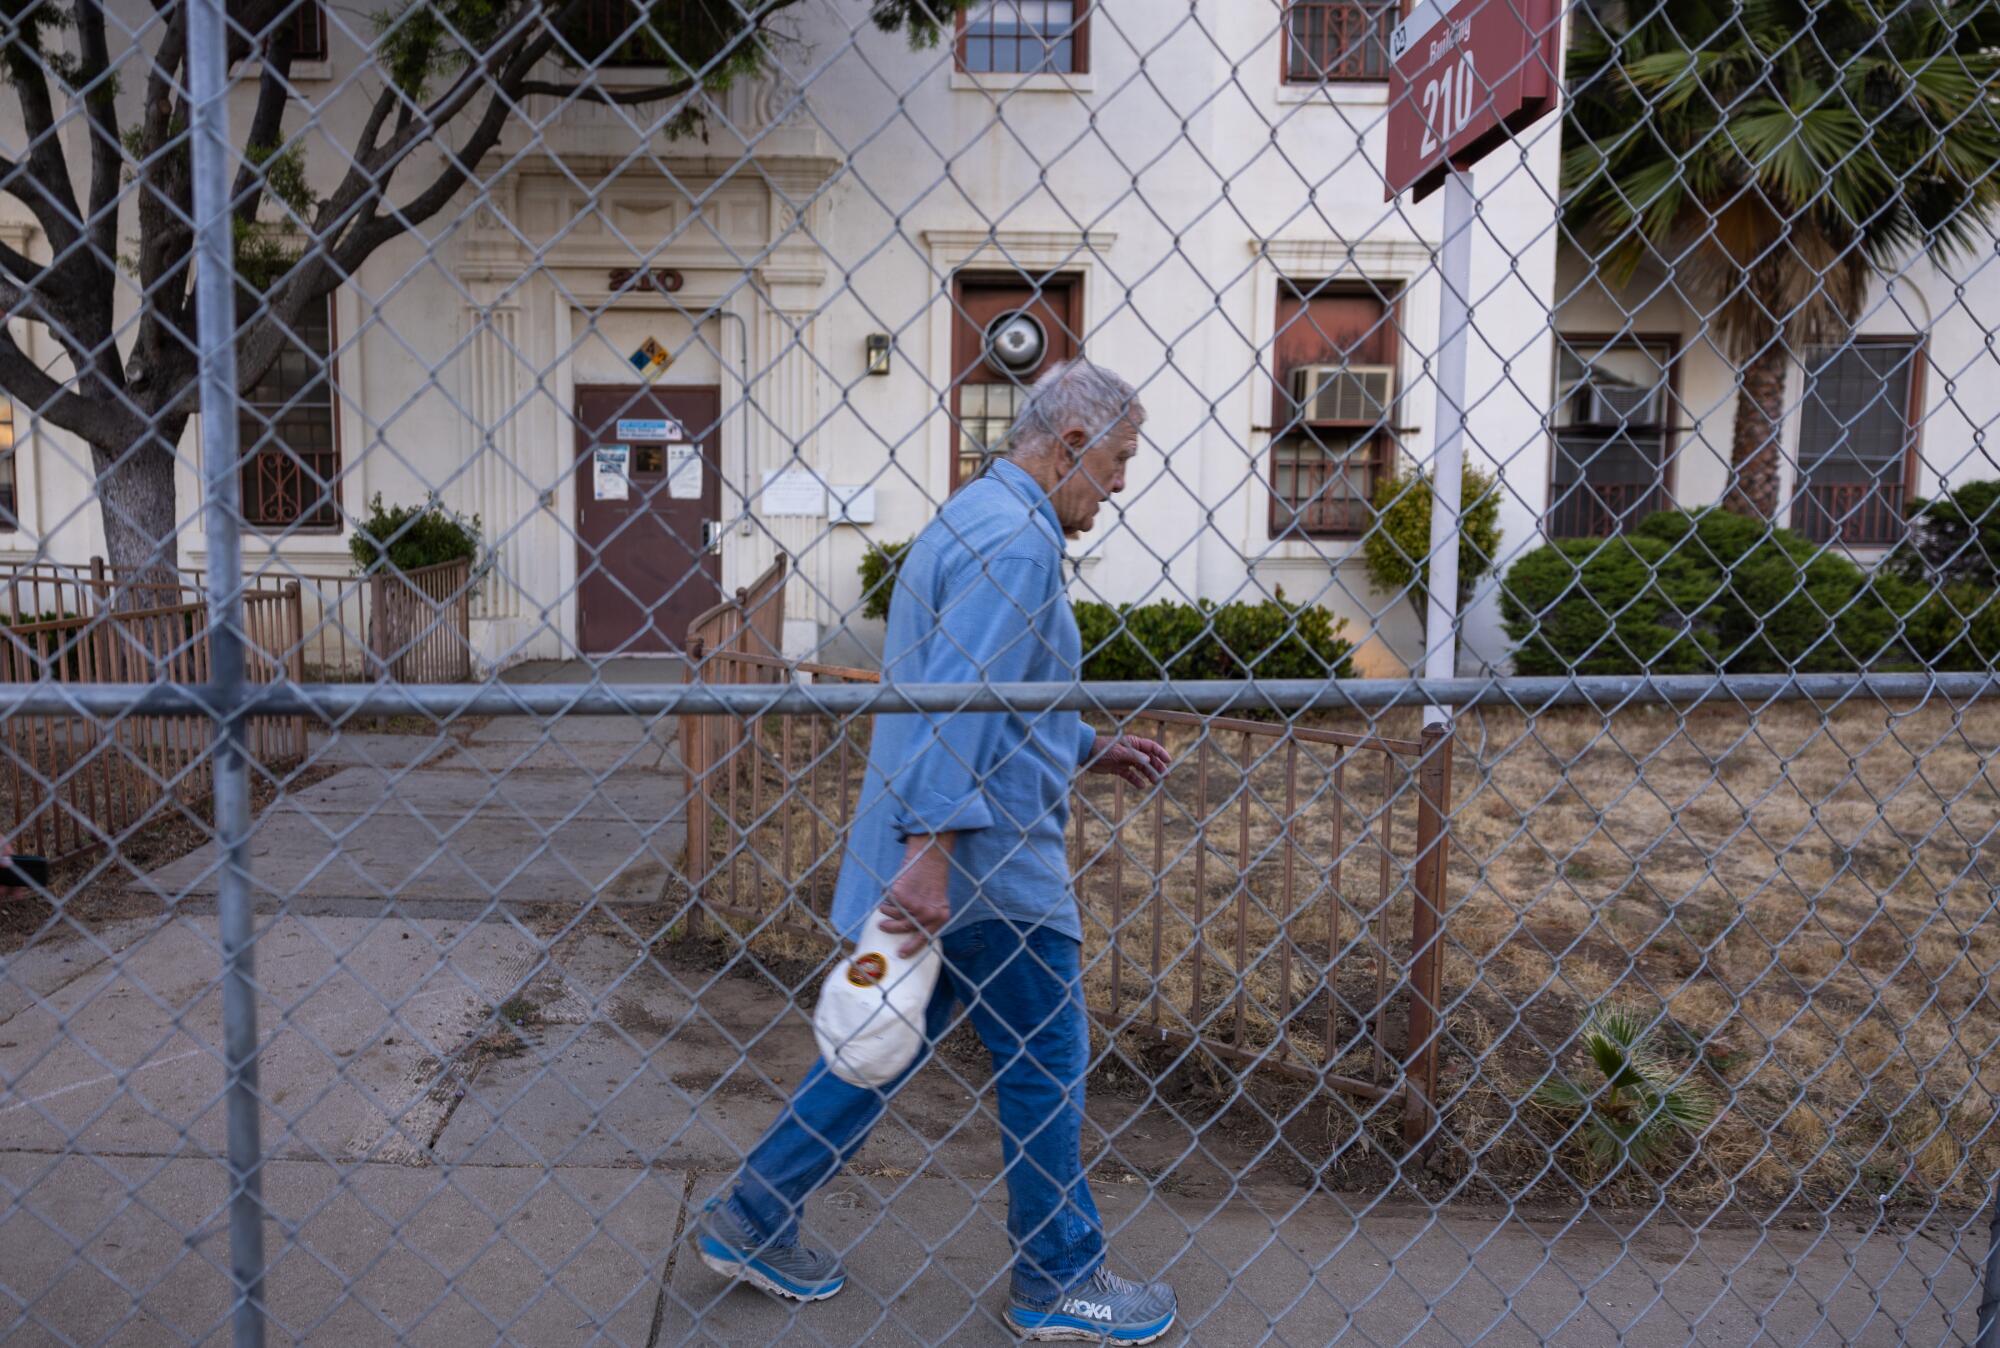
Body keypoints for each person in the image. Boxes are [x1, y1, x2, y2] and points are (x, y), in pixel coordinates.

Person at [695, 359, 1179, 1343]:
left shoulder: (974, 518)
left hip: (947, 857)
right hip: (985, 868)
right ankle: (1059, 1277)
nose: (1122, 482)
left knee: (880, 1044)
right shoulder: (1016, 546)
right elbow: (959, 701)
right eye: (1119, 458)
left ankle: (752, 1216)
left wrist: (1084, 745)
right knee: (1046, 1056)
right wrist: (932, 852)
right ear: (1073, 442)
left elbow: (983, 685)